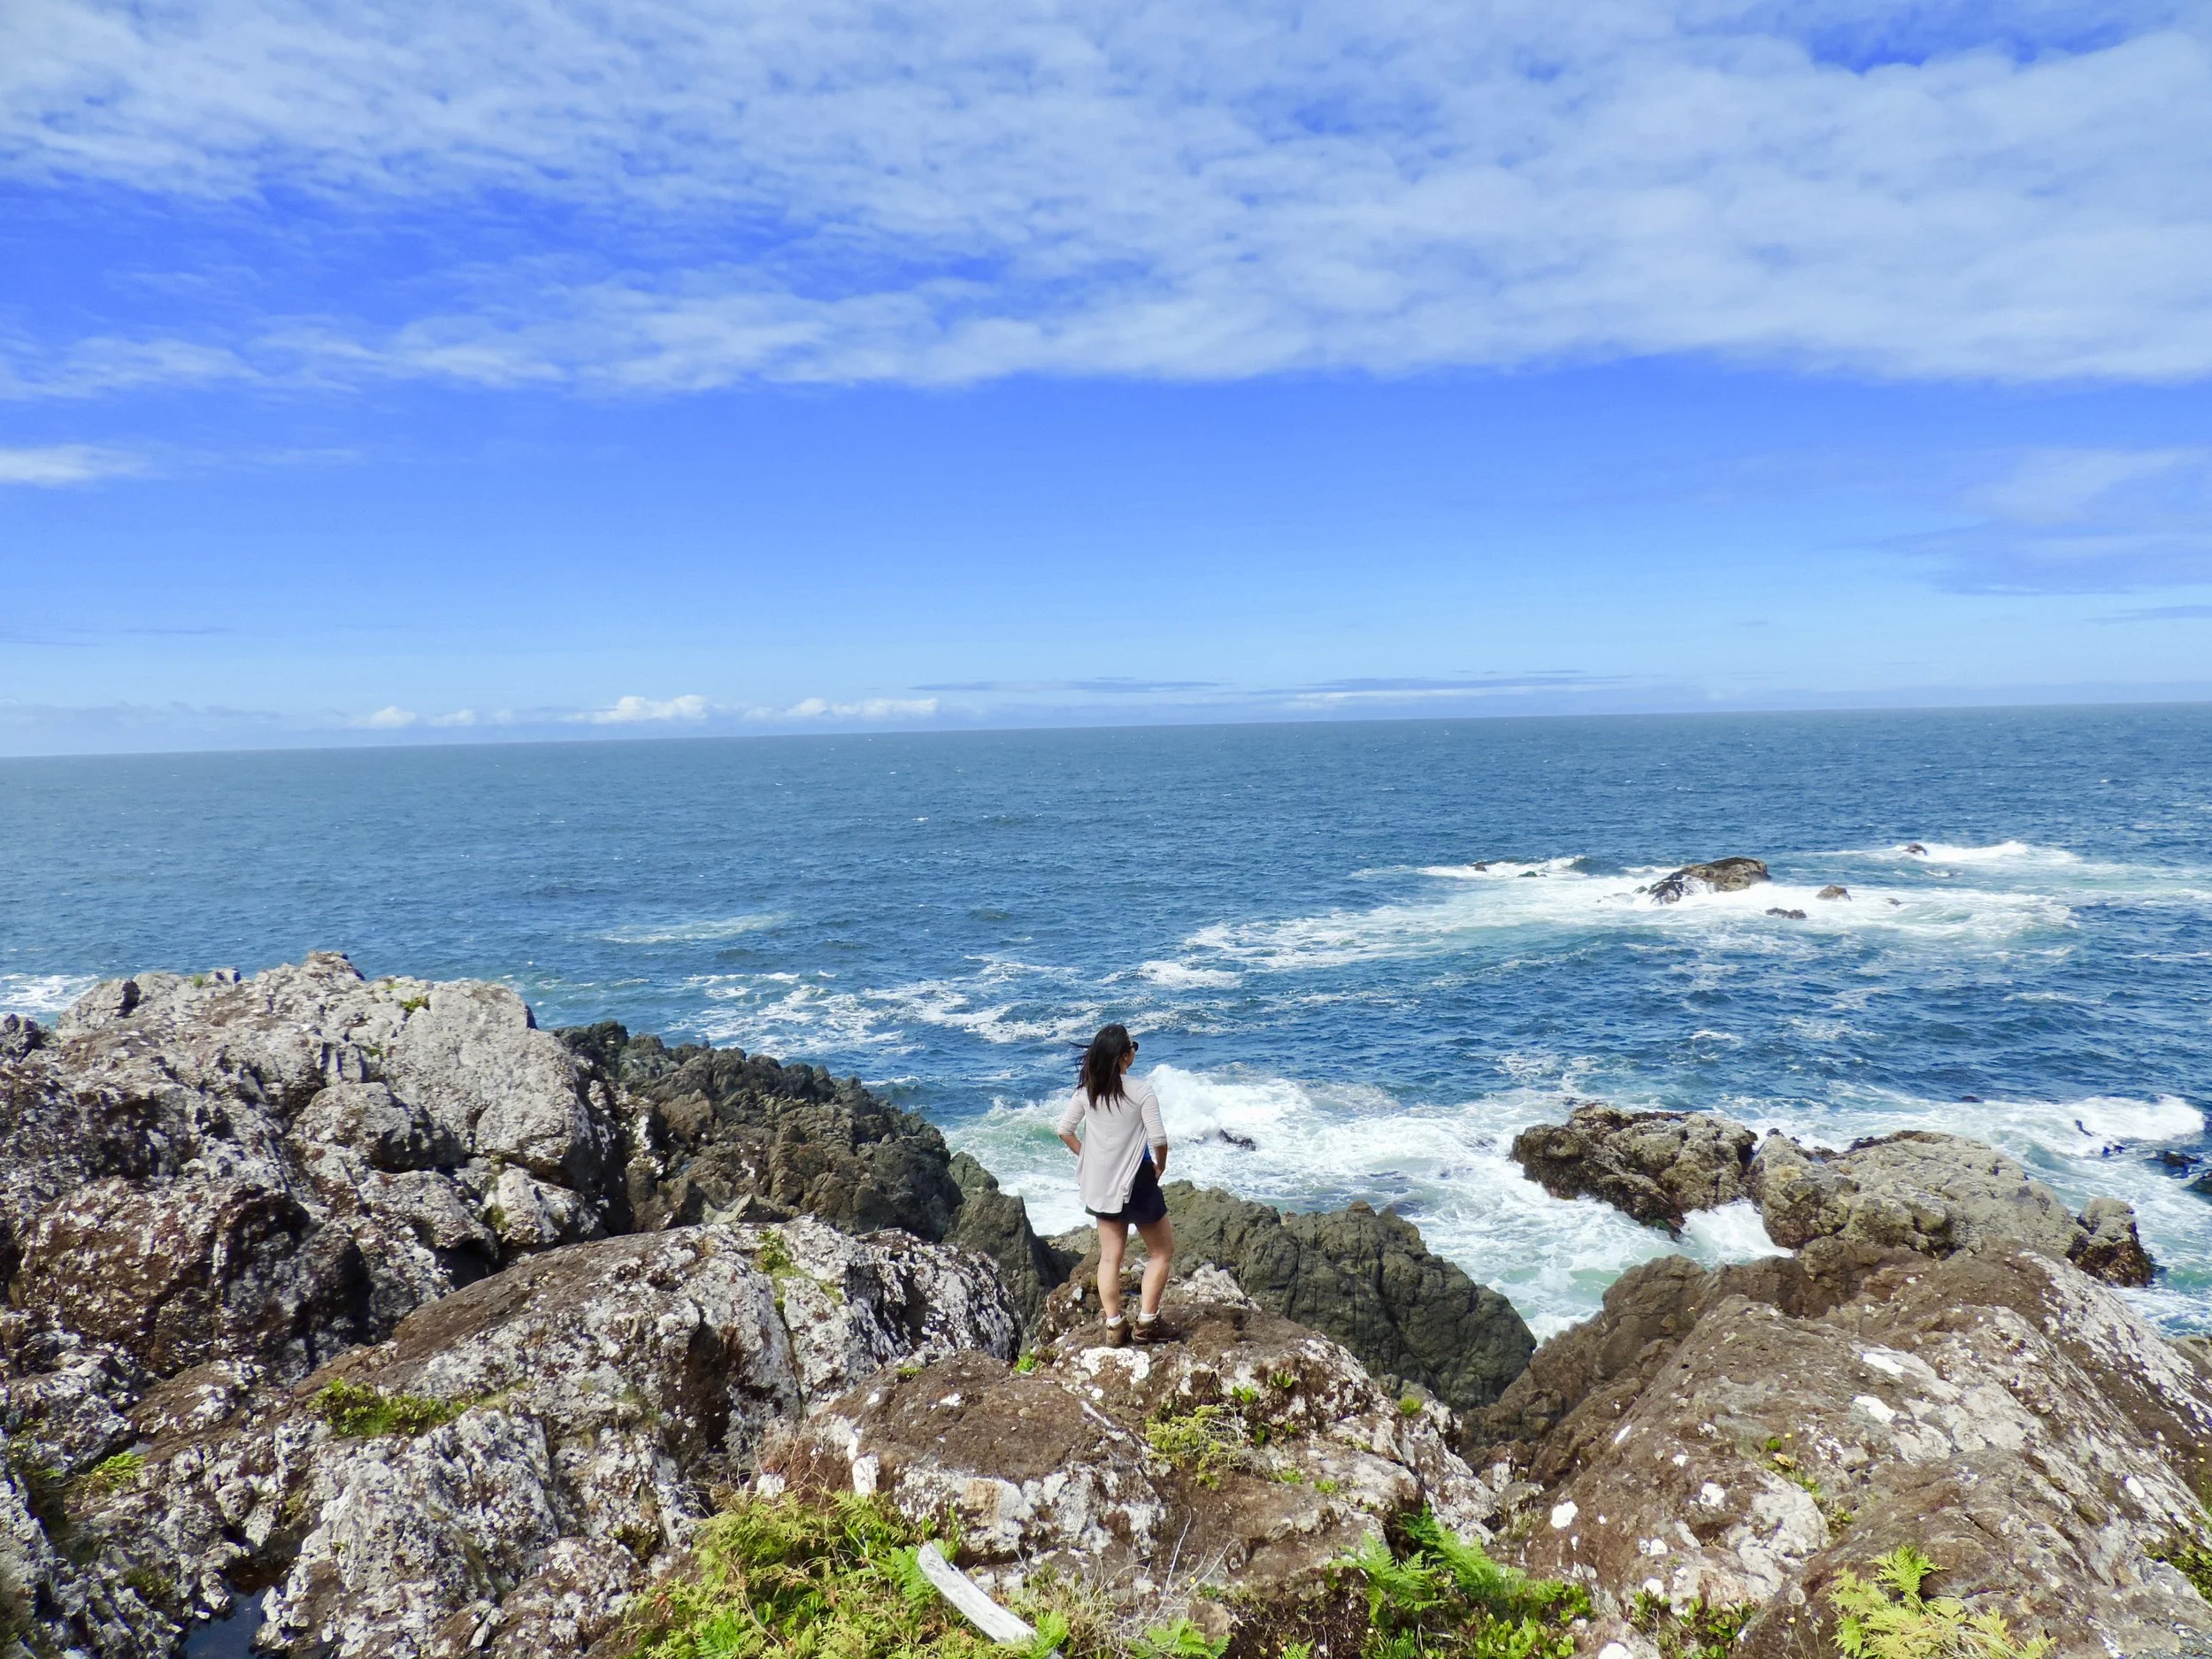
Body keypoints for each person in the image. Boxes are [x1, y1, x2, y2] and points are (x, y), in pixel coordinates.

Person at [1056, 1022, 1177, 1346]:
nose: (1135, 1051)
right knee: (1162, 1251)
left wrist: (1088, 1157)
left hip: (1100, 1182)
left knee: (1110, 1257)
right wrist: (1160, 1165)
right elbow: (1159, 1137)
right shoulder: (1141, 1091)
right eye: (1133, 1046)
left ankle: (1114, 1326)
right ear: (1125, 1056)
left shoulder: (1086, 1092)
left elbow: (1064, 1130)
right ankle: (1147, 1323)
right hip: (1137, 1180)